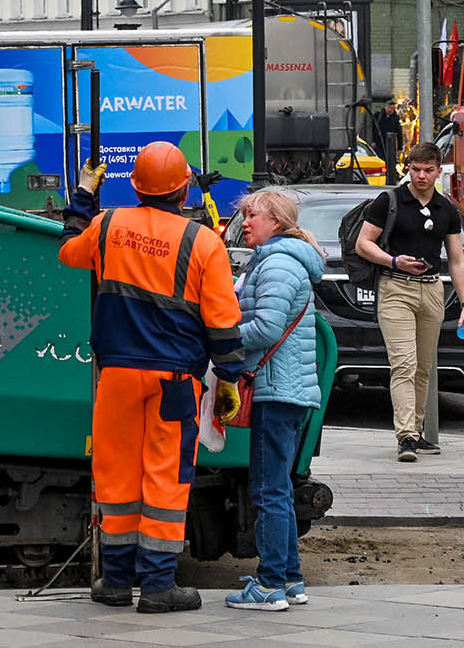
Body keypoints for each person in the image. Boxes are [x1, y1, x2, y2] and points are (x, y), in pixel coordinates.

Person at [59, 141, 244, 613]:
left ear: (136, 187)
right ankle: (159, 587)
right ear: (184, 191)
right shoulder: (203, 242)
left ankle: (116, 582)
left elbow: (68, 252)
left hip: (117, 375)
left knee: (117, 476)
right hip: (175, 383)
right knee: (164, 480)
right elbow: (223, 322)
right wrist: (228, 379)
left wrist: (84, 194)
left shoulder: (107, 226)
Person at [221, 188, 323, 611]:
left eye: (253, 216)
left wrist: (222, 339)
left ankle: (268, 585)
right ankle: (291, 580)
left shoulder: (279, 263)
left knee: (267, 489)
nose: (245, 223)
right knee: (277, 485)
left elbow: (264, 328)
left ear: (276, 222)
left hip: (277, 388)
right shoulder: (279, 259)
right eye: (244, 215)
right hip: (287, 387)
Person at [353, 142, 464, 461]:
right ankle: (406, 435)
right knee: (404, 363)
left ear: (438, 171)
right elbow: (363, 244)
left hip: (432, 289)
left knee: (423, 367)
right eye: (415, 169)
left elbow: (457, 259)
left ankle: (417, 430)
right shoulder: (389, 201)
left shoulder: (446, 208)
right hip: (396, 288)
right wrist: (393, 262)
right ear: (408, 168)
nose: (421, 176)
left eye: (428, 170)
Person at [373, 100, 403, 172]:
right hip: (378, 143)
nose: (390, 110)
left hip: (390, 143)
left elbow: (399, 133)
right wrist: (373, 140)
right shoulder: (378, 116)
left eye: (392, 109)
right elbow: (373, 129)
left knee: (389, 161)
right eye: (389, 108)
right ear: (386, 107)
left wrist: (399, 148)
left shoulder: (395, 118)